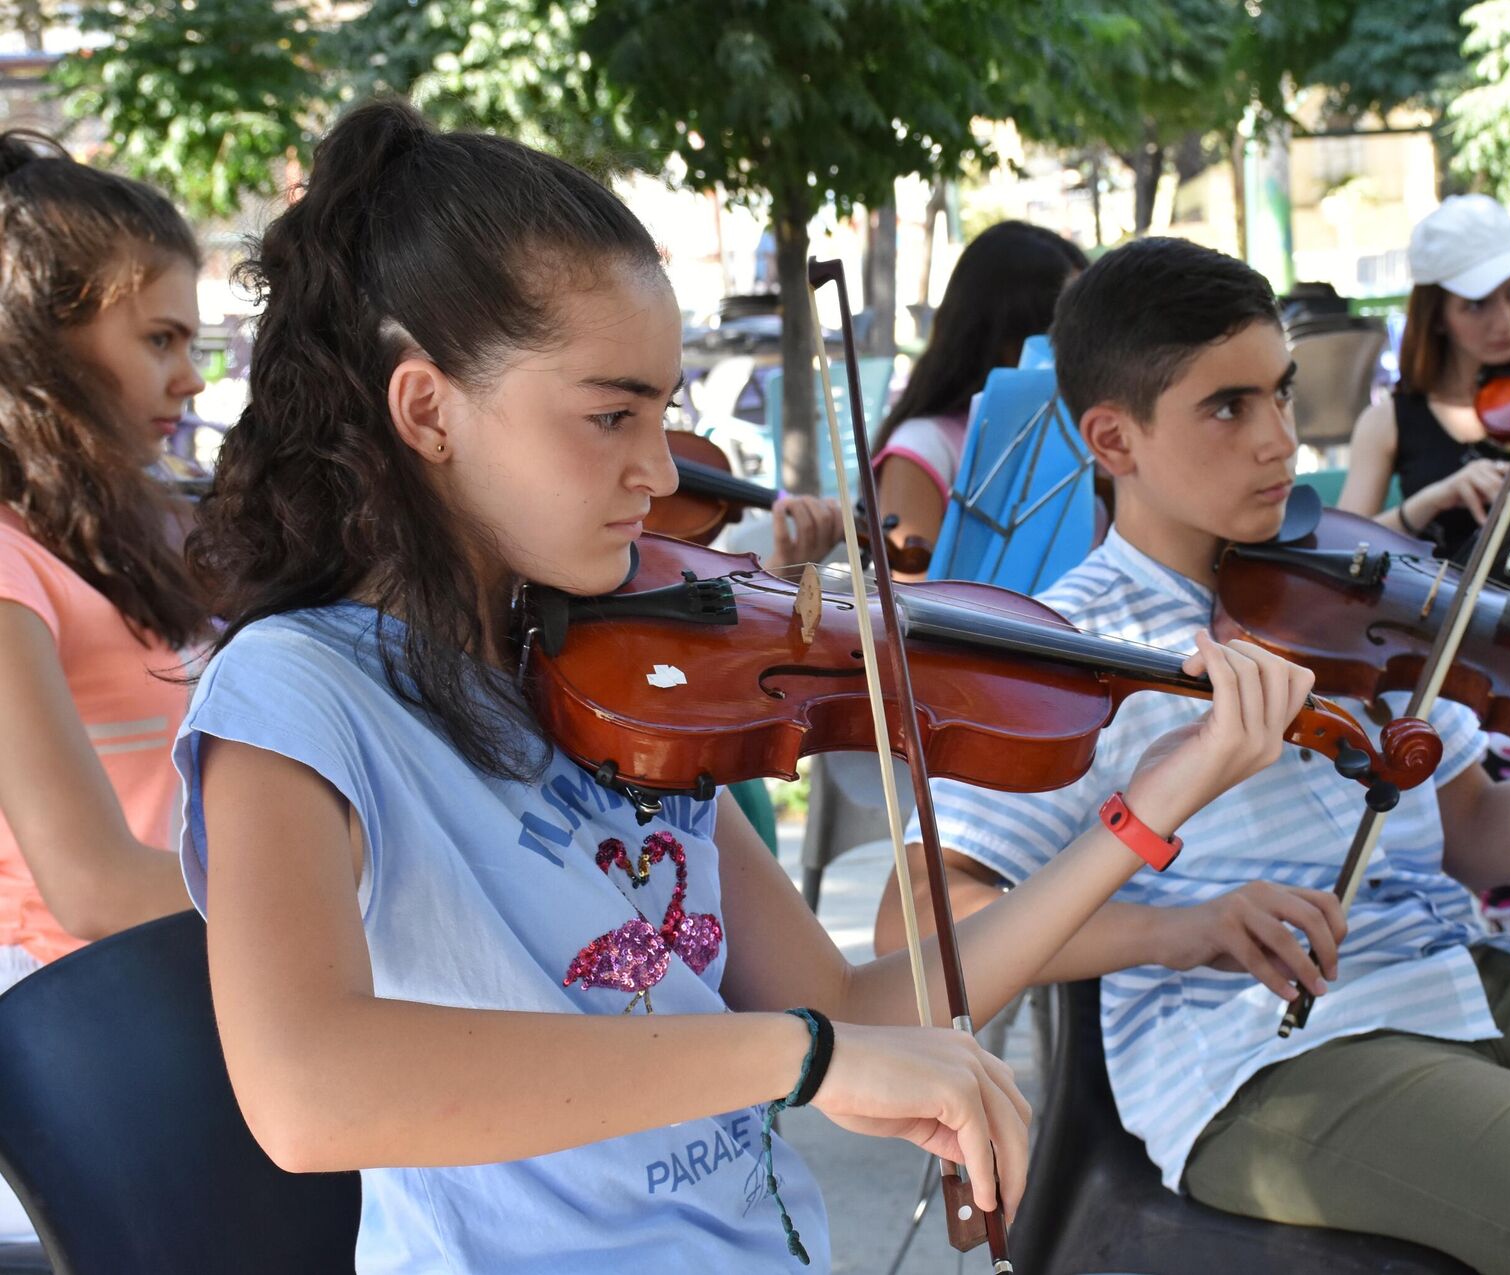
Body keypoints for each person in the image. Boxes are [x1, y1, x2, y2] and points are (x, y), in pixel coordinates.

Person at [179, 101, 1322, 1273]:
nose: (657, 470)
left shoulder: (610, 676)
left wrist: (1147, 812)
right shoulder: (297, 695)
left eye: (663, 412)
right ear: (428, 409)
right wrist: (798, 1057)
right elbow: (306, 1092)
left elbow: (856, 1007)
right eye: (611, 415)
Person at [875, 236, 1510, 1275]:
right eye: (1228, 407)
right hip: (1270, 1051)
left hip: (1473, 973)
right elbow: (918, 929)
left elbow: (1482, 833)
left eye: (1282, 393)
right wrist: (1182, 927)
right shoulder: (1066, 646)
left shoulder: (1352, 588)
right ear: (1114, 438)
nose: (1280, 440)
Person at [0, 129, 210, 1242]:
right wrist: (336, 896)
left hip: (179, 983)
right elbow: (85, 882)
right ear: (41, 340)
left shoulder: (130, 529)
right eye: (159, 338)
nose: (192, 376)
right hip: (77, 1030)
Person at [1338, 194, 1510, 561]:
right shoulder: (1385, 423)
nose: (1506, 321)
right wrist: (1431, 501)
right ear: (1437, 317)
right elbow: (1341, 550)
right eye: (1477, 304)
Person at [871, 221, 1086, 575]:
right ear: (1008, 332)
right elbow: (909, 597)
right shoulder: (923, 446)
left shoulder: (1075, 431)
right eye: (1067, 328)